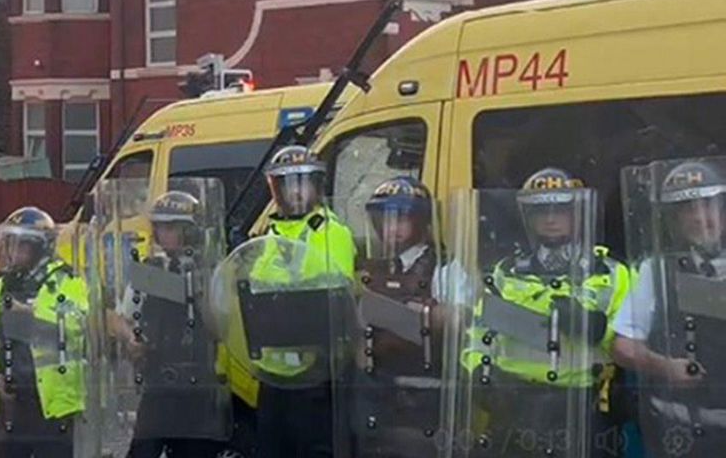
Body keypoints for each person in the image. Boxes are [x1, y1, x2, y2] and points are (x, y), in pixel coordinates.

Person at [457, 167, 630, 458]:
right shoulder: (506, 272)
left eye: (560, 210)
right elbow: (479, 334)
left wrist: (595, 329)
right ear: (528, 218)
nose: (550, 219)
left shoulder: (613, 274)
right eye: (541, 211)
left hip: (580, 409)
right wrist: (478, 373)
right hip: (514, 406)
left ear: (576, 214)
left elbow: (631, 340)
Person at [248, 145, 356, 458]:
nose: (296, 193)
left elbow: (331, 298)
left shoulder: (332, 233)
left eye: (303, 184)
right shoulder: (268, 235)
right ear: (275, 189)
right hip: (272, 374)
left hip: (316, 375)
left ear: (317, 187)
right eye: (287, 185)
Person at [613, 159, 726, 455]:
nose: (701, 218)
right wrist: (664, 368)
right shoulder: (656, 271)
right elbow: (623, 346)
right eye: (688, 209)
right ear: (674, 221)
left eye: (708, 205)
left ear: (723, 212)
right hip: (679, 436)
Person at [108, 190, 223, 458]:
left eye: (170, 227)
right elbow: (118, 318)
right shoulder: (150, 270)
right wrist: (132, 339)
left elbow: (220, 326)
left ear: (190, 230)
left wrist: (197, 288)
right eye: (159, 227)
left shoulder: (211, 269)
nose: (163, 234)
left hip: (199, 383)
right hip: (158, 380)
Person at [349, 176, 447, 458]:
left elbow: (460, 321)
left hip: (423, 393)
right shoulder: (373, 269)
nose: (392, 229)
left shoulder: (444, 267)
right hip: (377, 392)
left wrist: (412, 313)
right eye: (385, 220)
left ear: (423, 221)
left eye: (402, 219)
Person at [0, 207, 87, 458]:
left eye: (21, 245)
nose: (12, 251)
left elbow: (77, 325)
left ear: (39, 247)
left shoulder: (66, 280)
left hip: (52, 402)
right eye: (10, 243)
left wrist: (30, 313)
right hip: (10, 402)